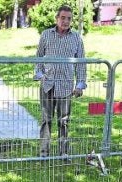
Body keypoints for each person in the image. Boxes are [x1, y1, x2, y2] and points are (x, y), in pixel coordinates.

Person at [34, 5, 86, 157]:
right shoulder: (46, 35)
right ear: (57, 18)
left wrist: (80, 85)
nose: (65, 21)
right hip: (47, 85)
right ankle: (44, 153)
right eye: (63, 18)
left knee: (64, 121)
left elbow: (81, 62)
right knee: (46, 120)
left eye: (69, 19)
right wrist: (39, 74)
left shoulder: (76, 38)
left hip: (66, 86)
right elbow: (38, 57)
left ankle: (63, 153)